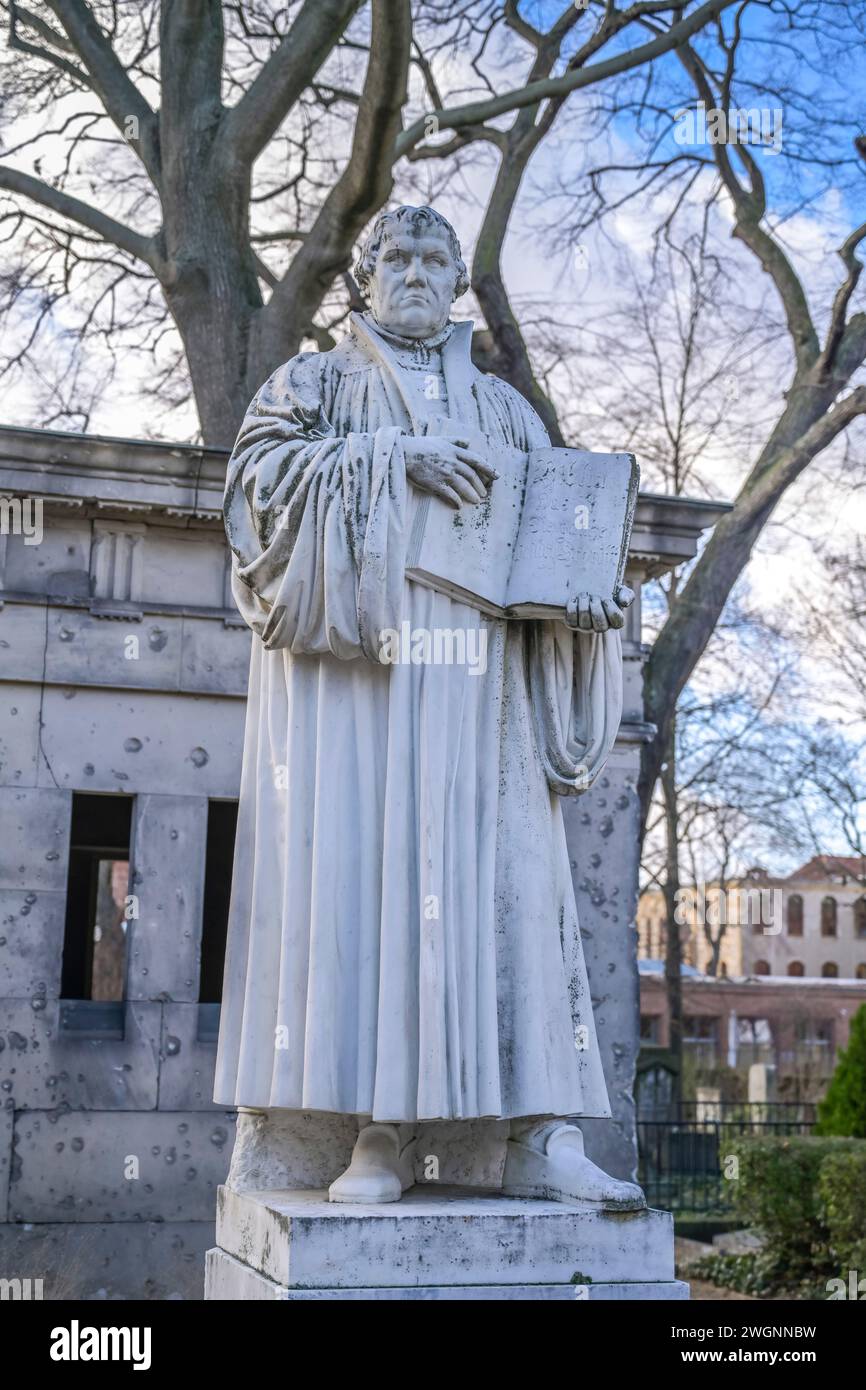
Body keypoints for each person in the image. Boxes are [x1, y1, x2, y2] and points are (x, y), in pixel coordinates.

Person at [215, 204, 643, 1209]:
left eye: (431, 256)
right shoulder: (313, 386)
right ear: (362, 276)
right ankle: (381, 1134)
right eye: (393, 256)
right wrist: (385, 463)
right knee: (384, 890)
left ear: (456, 276)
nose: (412, 269)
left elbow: (554, 541)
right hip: (367, 696)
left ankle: (539, 1134)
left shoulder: (505, 412)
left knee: (512, 893)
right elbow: (253, 500)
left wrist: (584, 609)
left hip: (487, 701)